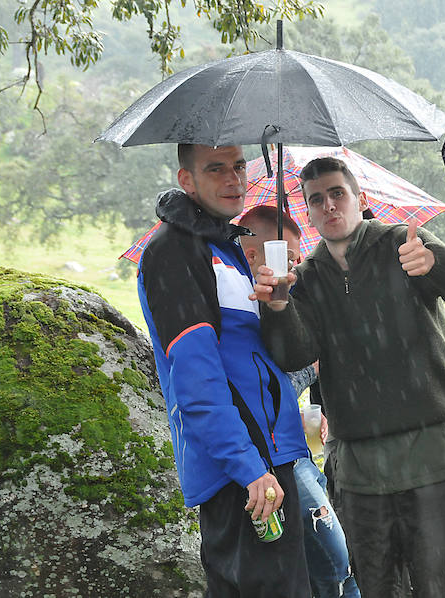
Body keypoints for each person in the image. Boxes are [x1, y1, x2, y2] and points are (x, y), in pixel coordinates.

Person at [250, 157, 445, 597]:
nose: (329, 206)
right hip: (360, 470)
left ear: (360, 199)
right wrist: (280, 306)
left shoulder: (404, 244)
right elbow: (293, 355)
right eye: (316, 200)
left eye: (337, 193)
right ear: (307, 212)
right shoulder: (304, 279)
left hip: (432, 456)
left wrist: (435, 261)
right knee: (379, 589)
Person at [137, 144, 310, 597]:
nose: (234, 179)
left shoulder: (226, 246)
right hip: (241, 469)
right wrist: (247, 466)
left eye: (238, 166)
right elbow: (197, 379)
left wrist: (277, 305)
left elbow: (274, 358)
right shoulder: (173, 251)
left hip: (272, 454)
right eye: (216, 169)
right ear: (187, 180)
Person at [238, 204, 362, 598]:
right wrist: (312, 365)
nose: (292, 267)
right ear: (255, 254)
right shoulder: (238, 304)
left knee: (323, 569)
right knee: (337, 566)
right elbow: (269, 388)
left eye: (294, 257)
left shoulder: (282, 297)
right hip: (273, 462)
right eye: (286, 257)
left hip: (295, 451)